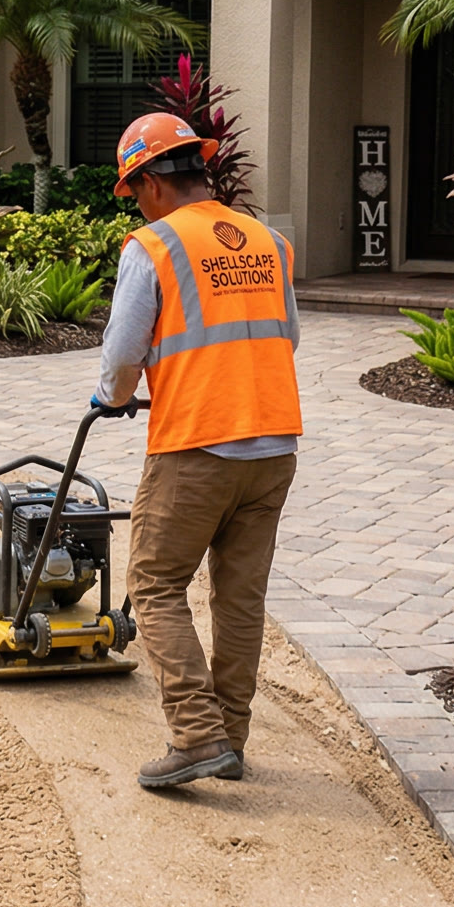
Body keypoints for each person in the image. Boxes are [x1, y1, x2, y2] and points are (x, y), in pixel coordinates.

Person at [91, 112, 302, 791]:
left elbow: (125, 352)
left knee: (153, 584)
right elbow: (285, 336)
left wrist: (115, 396)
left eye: (134, 188)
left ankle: (196, 733)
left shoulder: (153, 246)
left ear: (150, 181)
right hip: (273, 445)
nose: (137, 200)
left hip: (196, 444)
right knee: (239, 597)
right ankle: (230, 738)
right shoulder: (267, 241)